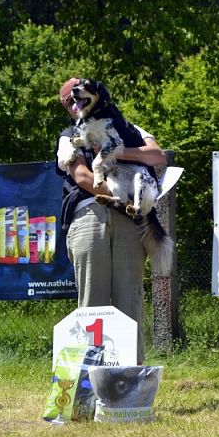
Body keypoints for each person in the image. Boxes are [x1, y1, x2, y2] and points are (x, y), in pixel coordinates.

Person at [55, 77, 166, 364]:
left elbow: (155, 155)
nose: (75, 101)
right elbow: (81, 176)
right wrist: (121, 198)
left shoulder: (127, 126)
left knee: (129, 301)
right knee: (92, 303)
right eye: (69, 101)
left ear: (96, 95)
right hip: (91, 214)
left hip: (130, 220)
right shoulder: (69, 136)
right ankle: (86, 384)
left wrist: (114, 149)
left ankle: (130, 384)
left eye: (79, 94)